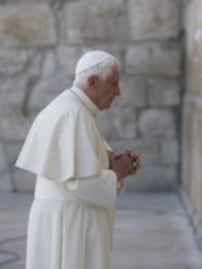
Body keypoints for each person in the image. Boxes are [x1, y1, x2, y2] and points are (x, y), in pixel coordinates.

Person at [15, 50, 140, 269]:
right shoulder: (74, 114)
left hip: (66, 217)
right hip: (70, 223)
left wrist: (113, 161)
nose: (118, 92)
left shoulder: (76, 108)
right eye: (113, 83)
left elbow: (81, 166)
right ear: (92, 81)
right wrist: (118, 172)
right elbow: (82, 184)